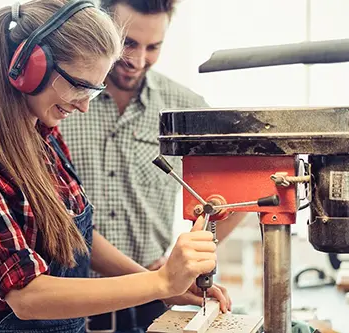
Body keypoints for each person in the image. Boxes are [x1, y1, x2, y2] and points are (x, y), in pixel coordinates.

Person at [0, 0, 231, 332]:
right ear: (29, 69)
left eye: (94, 90)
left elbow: (74, 237)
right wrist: (160, 283)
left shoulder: (44, 137)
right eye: (79, 86)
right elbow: (27, 296)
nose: (85, 106)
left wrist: (159, 282)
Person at [59, 0, 246, 331]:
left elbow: (245, 182)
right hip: (70, 302)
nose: (138, 60)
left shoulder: (184, 107)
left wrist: (195, 252)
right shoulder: (60, 102)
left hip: (152, 304)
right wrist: (162, 280)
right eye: (128, 43)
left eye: (153, 46)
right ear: (103, 30)